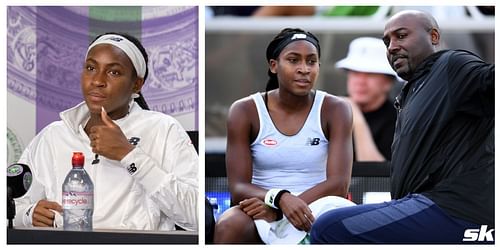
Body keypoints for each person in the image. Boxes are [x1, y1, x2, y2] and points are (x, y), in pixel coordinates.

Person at [310, 10, 494, 243]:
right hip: (423, 208)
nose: (392, 46)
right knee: (326, 211)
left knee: (327, 226)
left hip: (455, 210)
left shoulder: (452, 65)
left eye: (401, 35)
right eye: (387, 41)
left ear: (434, 36)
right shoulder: (411, 93)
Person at [13, 32, 199, 231]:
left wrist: (129, 155)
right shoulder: (53, 135)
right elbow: (12, 205)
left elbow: (196, 215)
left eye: (114, 72)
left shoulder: (164, 129)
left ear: (137, 84)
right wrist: (28, 215)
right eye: (91, 68)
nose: (97, 81)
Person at [213, 28, 355, 244]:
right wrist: (279, 200)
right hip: (262, 207)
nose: (304, 69)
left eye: (311, 61)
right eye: (293, 60)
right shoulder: (244, 110)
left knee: (343, 220)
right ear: (273, 65)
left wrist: (282, 210)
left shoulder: (336, 109)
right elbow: (238, 187)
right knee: (228, 224)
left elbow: (339, 184)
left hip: (320, 206)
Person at [336, 37, 399, 161]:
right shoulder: (330, 111)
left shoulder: (399, 122)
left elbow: (376, 176)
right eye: (354, 73)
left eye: (370, 74)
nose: (360, 81)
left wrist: (357, 121)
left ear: (388, 83)